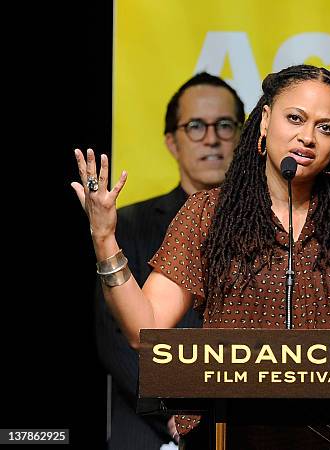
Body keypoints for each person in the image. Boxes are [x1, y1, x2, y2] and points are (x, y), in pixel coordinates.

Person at [72, 65, 330, 449]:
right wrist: (106, 239)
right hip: (223, 435)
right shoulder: (208, 213)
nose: (307, 137)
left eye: (325, 127)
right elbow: (142, 328)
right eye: (295, 118)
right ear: (263, 123)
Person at [94, 72, 245, 450]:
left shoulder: (271, 226)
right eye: (195, 126)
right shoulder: (125, 226)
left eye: (225, 125)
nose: (212, 138)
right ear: (172, 142)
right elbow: (116, 337)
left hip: (244, 430)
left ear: (244, 137)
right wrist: (175, 409)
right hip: (149, 430)